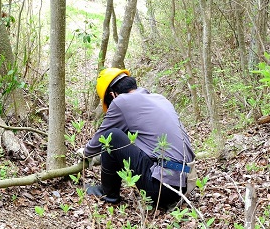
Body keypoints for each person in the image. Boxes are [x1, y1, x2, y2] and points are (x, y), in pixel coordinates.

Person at [78, 68, 195, 210]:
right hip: (186, 183)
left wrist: (86, 152)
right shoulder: (159, 98)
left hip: (161, 189)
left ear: (112, 95)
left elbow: (101, 138)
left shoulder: (121, 102)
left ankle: (107, 193)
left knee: (112, 136)